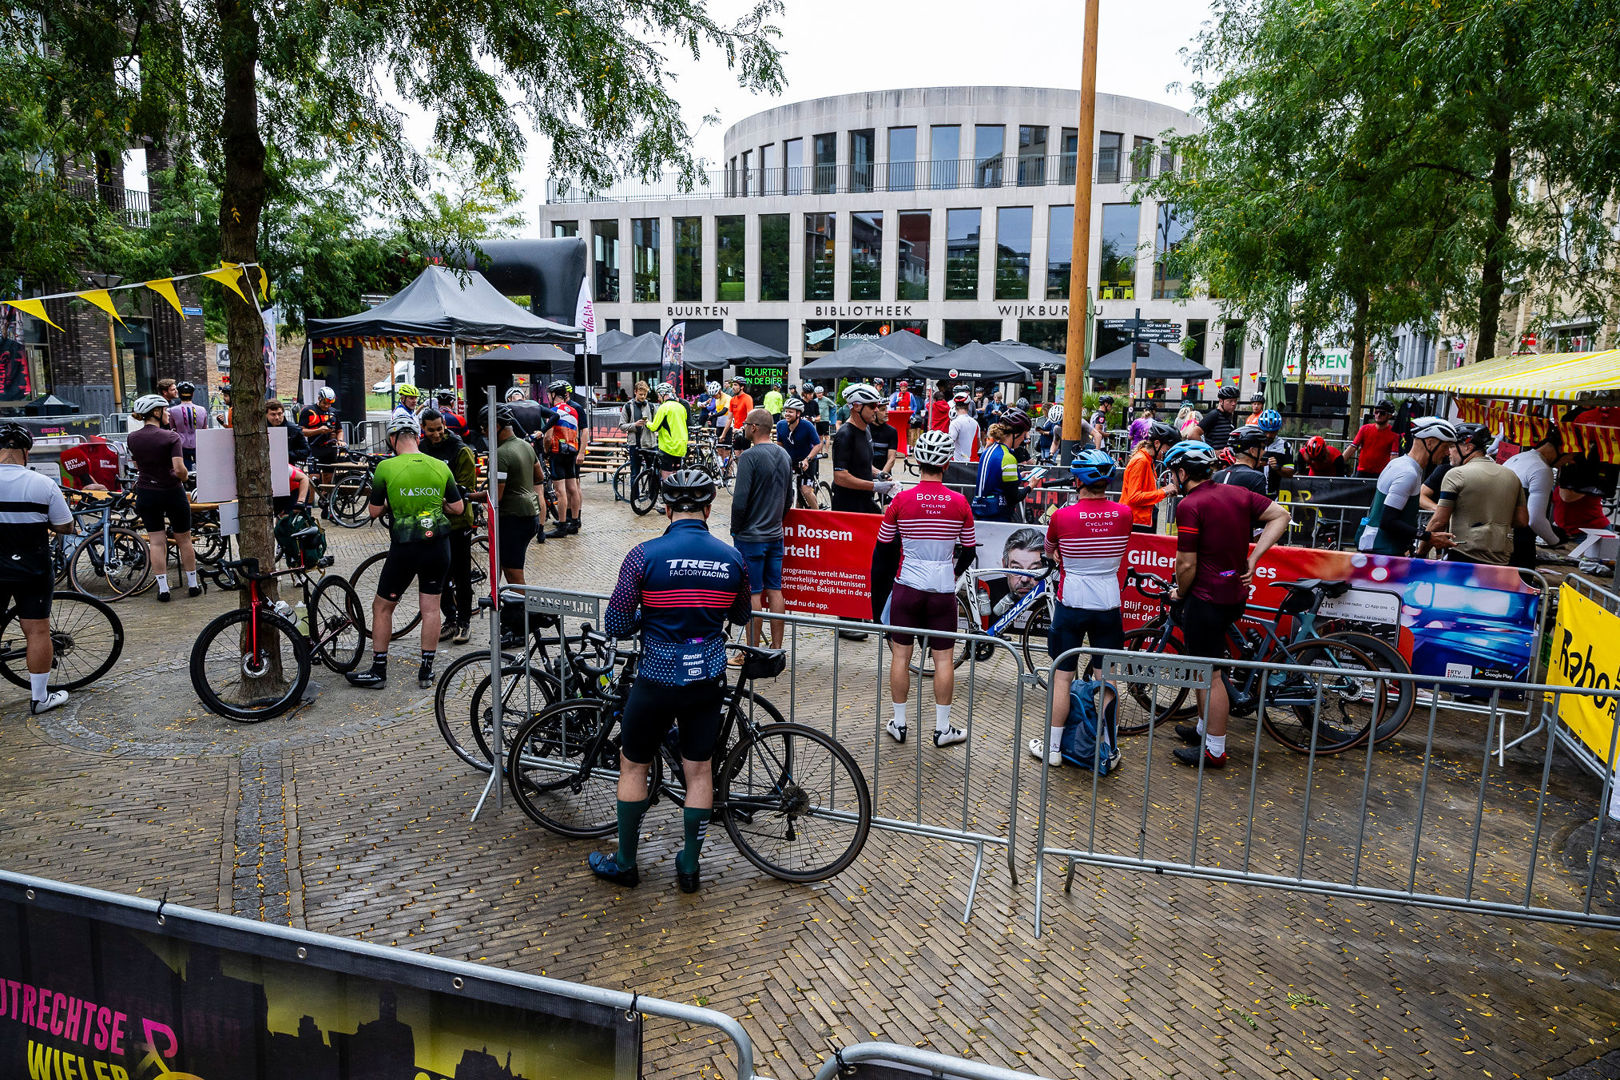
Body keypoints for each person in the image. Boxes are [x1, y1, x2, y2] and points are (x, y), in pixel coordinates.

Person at [590, 470, 751, 894]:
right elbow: (740, 615)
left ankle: (626, 863)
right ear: (708, 509)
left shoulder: (643, 555)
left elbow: (618, 623)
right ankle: (690, 868)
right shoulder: (731, 558)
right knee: (699, 771)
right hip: (707, 677)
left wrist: (650, 617)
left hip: (657, 676)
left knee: (633, 764)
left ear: (666, 508)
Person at [1163, 440, 1291, 769]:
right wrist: (1254, 558)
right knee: (1204, 670)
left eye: (1172, 474)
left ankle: (1214, 749)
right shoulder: (1236, 494)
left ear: (1181, 472)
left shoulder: (1190, 505)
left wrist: (1179, 591)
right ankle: (1206, 730)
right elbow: (1281, 515)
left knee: (1210, 674)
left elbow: (1186, 564)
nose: (1171, 481)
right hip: (1232, 591)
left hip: (1206, 599)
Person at [870, 428, 976, 749]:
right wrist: (951, 573)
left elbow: (884, 545)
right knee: (944, 660)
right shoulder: (959, 502)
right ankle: (942, 729)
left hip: (907, 585)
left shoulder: (901, 500)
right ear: (946, 464)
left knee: (901, 657)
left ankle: (899, 723)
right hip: (942, 588)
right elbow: (969, 551)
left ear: (917, 461)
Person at [1026, 449, 1133, 768]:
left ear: (1077, 481)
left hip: (1071, 602)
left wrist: (1062, 555)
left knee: (1062, 678)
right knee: (1108, 678)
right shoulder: (1123, 514)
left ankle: (1054, 748)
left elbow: (1049, 549)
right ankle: (1108, 749)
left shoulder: (1061, 516)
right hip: (1108, 604)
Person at [346, 414, 465, 690]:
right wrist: (436, 505)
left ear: (392, 439)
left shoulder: (386, 468)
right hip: (438, 546)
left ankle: (378, 670)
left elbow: (374, 511)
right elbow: (458, 508)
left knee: (383, 606)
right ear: (418, 436)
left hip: (405, 547)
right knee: (431, 607)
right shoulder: (440, 466)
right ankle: (426, 671)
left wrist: (393, 501)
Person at [0, 422, 76, 714]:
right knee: (37, 631)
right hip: (31, 567)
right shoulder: (42, 484)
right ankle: (40, 698)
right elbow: (64, 526)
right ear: (26, 453)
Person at [831, 384, 895, 640]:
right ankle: (846, 620)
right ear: (857, 407)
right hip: (848, 507)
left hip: (865, 504)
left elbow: (862, 464)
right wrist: (874, 484)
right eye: (872, 407)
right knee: (850, 564)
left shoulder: (866, 430)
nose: (876, 411)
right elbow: (840, 476)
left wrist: (880, 474)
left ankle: (867, 611)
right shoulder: (844, 435)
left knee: (873, 560)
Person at [730, 408, 793, 653]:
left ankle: (752, 651)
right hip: (775, 535)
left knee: (753, 593)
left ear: (754, 428)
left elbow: (740, 500)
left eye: (746, 424)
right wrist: (777, 520)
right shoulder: (784, 455)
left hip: (751, 536)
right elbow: (789, 497)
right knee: (775, 590)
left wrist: (736, 529)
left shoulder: (749, 457)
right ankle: (776, 649)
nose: (744, 428)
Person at [127, 394, 199, 602]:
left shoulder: (133, 438)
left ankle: (163, 589)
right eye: (165, 410)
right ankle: (193, 585)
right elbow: (179, 469)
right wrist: (184, 476)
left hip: (146, 492)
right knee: (184, 539)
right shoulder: (171, 437)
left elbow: (139, 465)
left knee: (157, 542)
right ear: (156, 412)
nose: (167, 413)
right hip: (171, 492)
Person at [1426, 423, 1528, 564]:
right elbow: (1522, 521)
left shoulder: (1456, 474)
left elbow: (1438, 522)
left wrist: (1420, 553)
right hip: (1501, 558)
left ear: (1468, 447)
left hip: (1464, 554)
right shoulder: (1512, 476)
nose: (1449, 452)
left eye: (1452, 447)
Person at [1357, 416, 1456, 556]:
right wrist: (1428, 536)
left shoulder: (1401, 464)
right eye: (1445, 447)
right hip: (1382, 552)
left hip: (1382, 549)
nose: (1447, 453)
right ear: (1430, 443)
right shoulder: (1407, 473)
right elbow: (1388, 521)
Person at [421, 408, 479, 644]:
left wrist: (437, 498)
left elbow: (465, 489)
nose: (435, 434)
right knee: (438, 573)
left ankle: (464, 622)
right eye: (430, 430)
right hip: (434, 520)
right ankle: (450, 618)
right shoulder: (421, 449)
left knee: (461, 573)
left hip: (457, 522)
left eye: (439, 429)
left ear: (444, 425)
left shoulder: (460, 450)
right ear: (422, 429)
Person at [1504, 430, 1572, 567]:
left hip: (1500, 537)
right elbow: (1535, 519)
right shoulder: (1541, 469)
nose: (1569, 461)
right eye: (1571, 456)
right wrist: (1555, 541)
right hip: (1517, 544)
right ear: (1561, 449)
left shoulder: (1518, 457)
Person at [491, 405, 543, 584]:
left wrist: (473, 497)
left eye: (484, 429)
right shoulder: (525, 445)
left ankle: (521, 610)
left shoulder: (500, 454)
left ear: (495, 427)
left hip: (513, 517)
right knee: (510, 567)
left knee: (513, 573)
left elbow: (495, 497)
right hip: (531, 515)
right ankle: (515, 608)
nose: (484, 434)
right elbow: (539, 477)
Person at [1122, 421, 1180, 532]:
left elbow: (1146, 491)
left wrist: (1165, 493)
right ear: (1157, 443)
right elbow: (1134, 497)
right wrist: (1164, 491)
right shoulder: (1141, 461)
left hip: (1142, 521)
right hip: (1136, 522)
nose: (1169, 452)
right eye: (1168, 448)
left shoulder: (1149, 460)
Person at [543, 379, 583, 538]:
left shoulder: (553, 411)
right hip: (571, 451)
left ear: (554, 395)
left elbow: (548, 437)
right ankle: (574, 522)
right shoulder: (573, 410)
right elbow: (578, 431)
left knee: (560, 491)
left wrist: (546, 452)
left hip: (557, 452)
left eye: (548, 395)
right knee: (573, 488)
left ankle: (561, 526)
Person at [974, 412, 1029, 522]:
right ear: (1015, 433)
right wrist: (1031, 486)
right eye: (1024, 434)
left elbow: (995, 479)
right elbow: (1014, 497)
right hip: (997, 516)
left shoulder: (989, 451)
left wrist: (1018, 476)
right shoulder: (1008, 457)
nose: (1024, 439)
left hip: (979, 511)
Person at [776, 396, 822, 508]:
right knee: (786, 490)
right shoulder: (780, 425)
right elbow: (780, 444)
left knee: (806, 491)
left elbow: (818, 444)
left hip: (808, 462)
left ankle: (817, 517)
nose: (787, 414)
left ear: (798, 414)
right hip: (791, 462)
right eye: (786, 411)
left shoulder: (807, 426)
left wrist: (807, 459)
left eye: (790, 412)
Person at [620, 381, 660, 493]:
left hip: (650, 444)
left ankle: (653, 497)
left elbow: (657, 424)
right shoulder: (628, 407)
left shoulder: (651, 407)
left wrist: (653, 426)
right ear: (635, 392)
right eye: (640, 394)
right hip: (634, 444)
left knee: (653, 473)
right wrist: (634, 425)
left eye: (644, 394)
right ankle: (635, 498)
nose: (643, 397)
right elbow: (621, 425)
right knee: (634, 474)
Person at [647, 382, 689, 484]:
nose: (658, 397)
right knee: (676, 473)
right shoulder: (681, 407)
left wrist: (646, 422)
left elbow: (654, 427)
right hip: (681, 446)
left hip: (668, 446)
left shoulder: (663, 407)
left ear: (663, 394)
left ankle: (668, 495)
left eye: (658, 395)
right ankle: (677, 495)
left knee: (667, 474)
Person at [300, 387, 342, 482]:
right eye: (325, 403)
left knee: (328, 479)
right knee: (314, 479)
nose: (327, 406)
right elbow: (301, 431)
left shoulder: (334, 412)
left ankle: (325, 496)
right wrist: (318, 431)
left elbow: (339, 430)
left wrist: (340, 440)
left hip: (330, 450)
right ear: (319, 399)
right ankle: (311, 497)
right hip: (314, 448)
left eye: (330, 403)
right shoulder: (308, 411)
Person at [1349, 399, 1400, 477]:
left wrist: (1393, 475)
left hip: (1381, 474)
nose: (1378, 415)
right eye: (1376, 412)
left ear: (1389, 415)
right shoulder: (1364, 429)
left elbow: (1394, 456)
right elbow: (1353, 447)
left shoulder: (1394, 434)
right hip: (1362, 472)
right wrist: (1339, 462)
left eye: (1382, 413)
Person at [1216, 426, 1272, 496]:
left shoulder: (1216, 476)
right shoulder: (1256, 477)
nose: (1264, 452)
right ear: (1252, 451)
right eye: (1262, 448)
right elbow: (1260, 506)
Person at [58, 434, 123, 492]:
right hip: (82, 500)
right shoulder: (73, 455)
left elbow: (123, 488)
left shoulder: (113, 452)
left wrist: (108, 494)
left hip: (111, 502)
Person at [166, 382, 209, 469]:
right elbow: (204, 429)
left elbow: (172, 428)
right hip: (199, 444)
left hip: (181, 445)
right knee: (202, 471)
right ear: (192, 394)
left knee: (185, 471)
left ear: (179, 393)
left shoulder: (172, 410)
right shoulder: (202, 410)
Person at [266, 399, 309, 463]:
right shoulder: (260, 430)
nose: (277, 417)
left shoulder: (294, 429)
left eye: (279, 414)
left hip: (288, 465)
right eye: (273, 414)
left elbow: (306, 451)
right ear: (266, 415)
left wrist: (287, 454)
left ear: (283, 413)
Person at [1199, 385, 1241, 449]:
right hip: (1214, 458)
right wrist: (1209, 451)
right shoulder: (1214, 414)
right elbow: (1192, 434)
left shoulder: (1228, 416)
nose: (1234, 404)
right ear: (1221, 401)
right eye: (1230, 401)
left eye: (1235, 401)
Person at [948, 391, 979, 462]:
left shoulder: (955, 423)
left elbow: (950, 444)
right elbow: (978, 445)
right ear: (968, 405)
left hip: (958, 463)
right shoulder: (975, 423)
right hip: (972, 463)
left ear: (955, 406)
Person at [870, 402, 898, 476]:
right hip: (866, 473)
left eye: (886, 409)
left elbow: (891, 458)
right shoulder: (865, 429)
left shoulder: (892, 431)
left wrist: (882, 475)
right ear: (874, 412)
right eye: (882, 410)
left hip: (884, 473)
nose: (887, 412)